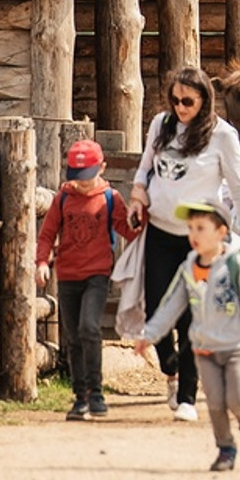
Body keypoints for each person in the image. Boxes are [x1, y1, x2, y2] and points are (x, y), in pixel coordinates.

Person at [132, 67, 240, 419]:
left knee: (190, 314)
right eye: (175, 101)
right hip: (160, 229)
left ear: (204, 101)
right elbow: (145, 169)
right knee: (157, 307)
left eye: (188, 102)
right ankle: (169, 366)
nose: (180, 108)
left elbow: (239, 187)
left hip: (199, 237)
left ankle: (187, 396)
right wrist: (139, 196)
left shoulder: (222, 135)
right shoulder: (161, 125)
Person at [137, 200, 240, 470]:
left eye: (201, 228)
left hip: (236, 346)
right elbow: (171, 306)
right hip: (205, 349)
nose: (193, 235)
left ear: (221, 231)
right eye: (191, 228)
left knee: (237, 399)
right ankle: (226, 448)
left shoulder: (235, 263)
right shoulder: (188, 268)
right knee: (215, 403)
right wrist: (150, 334)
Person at [37, 138, 142, 419]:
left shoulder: (110, 198)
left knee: (89, 328)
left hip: (97, 273)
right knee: (73, 336)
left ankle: (96, 393)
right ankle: (79, 396)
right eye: (77, 177)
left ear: (102, 168)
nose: (82, 183)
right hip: (67, 275)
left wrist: (141, 221)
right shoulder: (63, 198)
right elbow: (47, 233)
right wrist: (41, 262)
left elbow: (126, 230)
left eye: (87, 177)